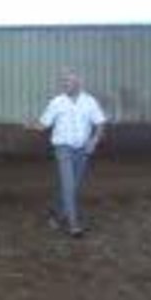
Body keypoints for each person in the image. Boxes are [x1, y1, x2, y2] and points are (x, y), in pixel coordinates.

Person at [33, 70, 106, 238]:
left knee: (73, 186)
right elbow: (44, 124)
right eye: (64, 82)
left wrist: (94, 141)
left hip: (82, 150)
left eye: (69, 82)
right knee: (68, 185)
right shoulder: (56, 102)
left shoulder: (90, 102)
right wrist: (30, 125)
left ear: (79, 84)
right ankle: (73, 225)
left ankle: (56, 214)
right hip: (63, 149)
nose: (66, 85)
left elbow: (100, 123)